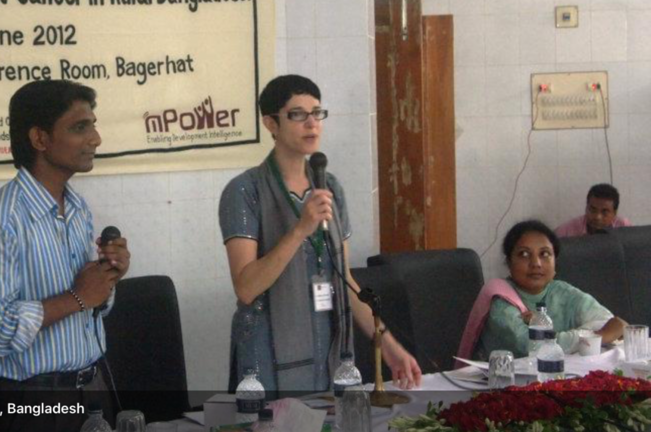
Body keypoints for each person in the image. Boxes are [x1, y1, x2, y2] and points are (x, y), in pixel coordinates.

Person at [218, 75, 422, 395]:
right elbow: (246, 287)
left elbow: (345, 280)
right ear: (271, 123)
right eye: (297, 114)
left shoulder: (330, 188)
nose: (312, 123)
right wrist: (300, 229)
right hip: (267, 353)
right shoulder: (244, 191)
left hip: (327, 347)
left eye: (317, 113)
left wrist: (389, 346)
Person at [0, 79, 130, 432]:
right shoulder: (0, 219)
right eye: (79, 127)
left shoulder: (77, 206)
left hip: (93, 389)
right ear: (40, 139)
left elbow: (89, 307)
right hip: (34, 403)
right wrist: (78, 296)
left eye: (93, 124)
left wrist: (106, 281)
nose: (96, 138)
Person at [459, 220, 626, 361]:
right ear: (509, 262)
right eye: (524, 254)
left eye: (545, 254)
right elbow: (533, 345)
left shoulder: (562, 292)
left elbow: (608, 322)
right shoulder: (499, 297)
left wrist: (549, 332)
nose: (536, 263)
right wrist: (597, 336)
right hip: (504, 386)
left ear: (555, 262)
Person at [555, 183, 632, 237]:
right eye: (593, 210)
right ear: (586, 208)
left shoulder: (623, 227)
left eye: (604, 212)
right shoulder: (567, 231)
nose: (597, 217)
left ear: (614, 213)